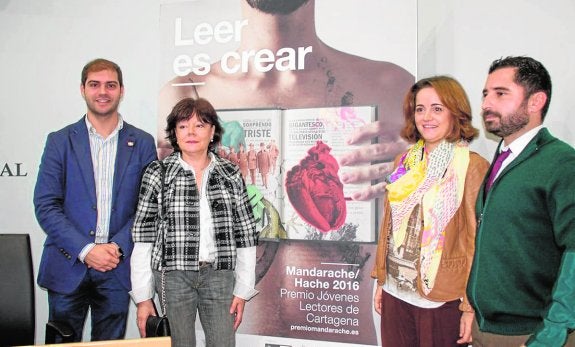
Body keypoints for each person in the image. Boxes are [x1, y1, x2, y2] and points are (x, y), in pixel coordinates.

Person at [158, 0, 414, 201]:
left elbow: (433, 204)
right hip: (221, 268)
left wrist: (415, 169)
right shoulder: (184, 92)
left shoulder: (391, 86)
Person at [33, 58, 157, 341]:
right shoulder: (59, 141)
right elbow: (46, 204)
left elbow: (147, 207)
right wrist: (87, 249)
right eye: (95, 84)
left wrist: (116, 247)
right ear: (82, 89)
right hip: (68, 263)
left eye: (110, 85)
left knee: (109, 345)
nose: (103, 92)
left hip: (116, 266)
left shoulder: (142, 142)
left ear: (121, 91)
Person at [131, 97, 259, 347]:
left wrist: (243, 289)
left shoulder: (230, 174)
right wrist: (143, 298)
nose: (191, 132)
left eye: (200, 125)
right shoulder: (158, 173)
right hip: (172, 276)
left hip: (219, 275)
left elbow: (245, 233)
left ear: (212, 132)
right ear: (174, 133)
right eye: (182, 126)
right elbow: (143, 237)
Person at [371, 76, 489, 346]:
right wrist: (381, 279)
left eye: (437, 108)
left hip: (442, 297)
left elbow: (476, 241)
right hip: (396, 290)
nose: (427, 117)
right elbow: (389, 223)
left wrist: (470, 307)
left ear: (455, 113)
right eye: (420, 109)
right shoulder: (405, 161)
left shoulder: (472, 167)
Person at [467, 56, 575, 347]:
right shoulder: (503, 158)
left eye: (501, 94)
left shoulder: (561, 163)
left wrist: (553, 333)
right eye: (486, 94)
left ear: (535, 101)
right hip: (485, 329)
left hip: (531, 334)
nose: (487, 103)